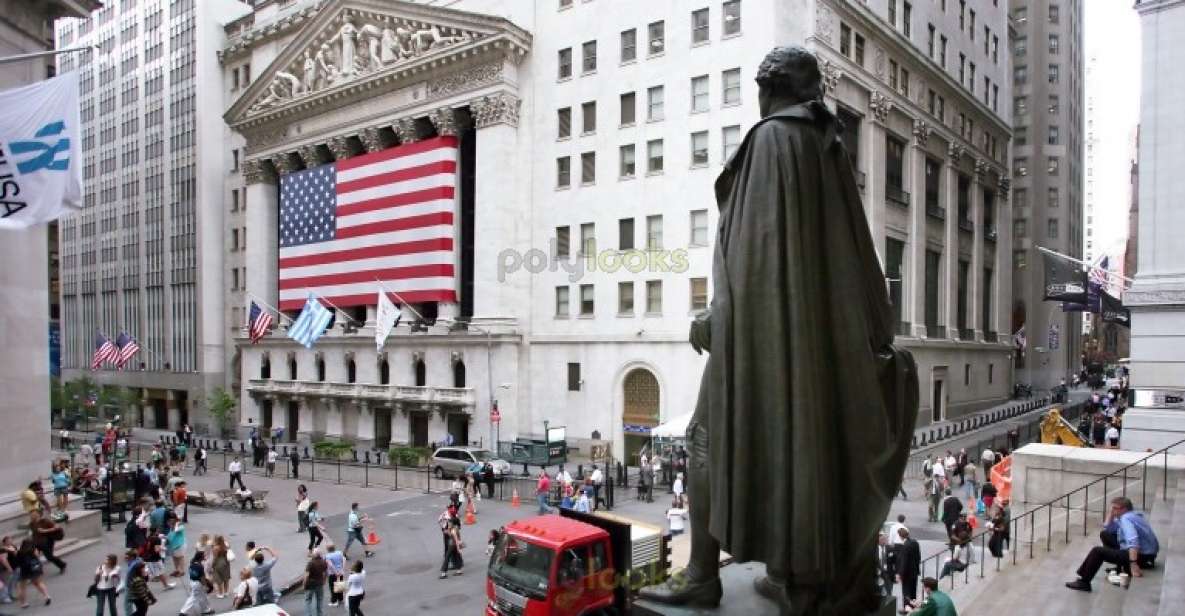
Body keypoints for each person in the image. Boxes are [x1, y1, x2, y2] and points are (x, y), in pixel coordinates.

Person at [1066, 497, 1159, 592]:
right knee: (1105, 534)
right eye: (1111, 508)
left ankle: (1084, 582)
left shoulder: (1126, 519)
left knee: (1097, 551)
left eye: (1115, 508)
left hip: (1142, 556)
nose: (1112, 510)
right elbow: (1108, 528)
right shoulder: (1132, 515)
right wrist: (1110, 514)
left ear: (1124, 509)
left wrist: (1133, 564)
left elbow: (1133, 541)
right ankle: (1120, 567)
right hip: (1148, 555)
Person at [14, 539, 50, 608]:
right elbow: (38, 558)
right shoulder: (34, 550)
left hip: (24, 571)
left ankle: (24, 603)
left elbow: (17, 562)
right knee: (39, 583)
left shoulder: (19, 552)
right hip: (34, 569)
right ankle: (46, 596)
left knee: (22, 587)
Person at [178, 551, 213, 616]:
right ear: (201, 557)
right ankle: (183, 611)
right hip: (198, 583)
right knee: (193, 597)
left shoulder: (192, 564)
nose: (205, 557)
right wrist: (205, 585)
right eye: (204, 555)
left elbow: (191, 574)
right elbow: (202, 578)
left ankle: (206, 610)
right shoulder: (200, 566)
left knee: (203, 596)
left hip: (192, 582)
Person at [895, 528, 921, 615]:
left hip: (907, 574)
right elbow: (918, 557)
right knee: (913, 590)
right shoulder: (915, 542)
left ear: (900, 536)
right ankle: (912, 606)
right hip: (915, 572)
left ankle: (907, 609)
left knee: (906, 592)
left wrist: (900, 574)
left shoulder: (905, 546)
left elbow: (904, 562)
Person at [439, 509, 464, 578]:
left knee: (447, 557)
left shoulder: (453, 530)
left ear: (453, 523)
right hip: (454, 545)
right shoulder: (456, 528)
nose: (448, 523)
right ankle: (459, 570)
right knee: (457, 556)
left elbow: (455, 539)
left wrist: (458, 548)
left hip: (452, 545)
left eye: (450, 522)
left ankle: (443, 573)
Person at [303, 551, 328, 616]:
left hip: (310, 584)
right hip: (319, 583)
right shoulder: (323, 562)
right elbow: (325, 573)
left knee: (308, 600)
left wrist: (304, 584)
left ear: (314, 555)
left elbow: (306, 575)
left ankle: (308, 614)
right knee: (319, 599)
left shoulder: (310, 563)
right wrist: (324, 580)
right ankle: (319, 614)